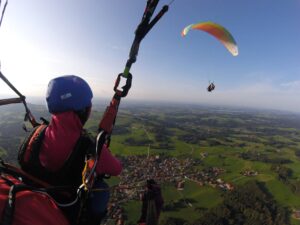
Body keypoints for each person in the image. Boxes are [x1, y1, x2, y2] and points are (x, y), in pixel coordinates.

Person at [18, 75, 122, 225]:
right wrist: (102, 150)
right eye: (89, 106)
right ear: (81, 110)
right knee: (101, 189)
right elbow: (116, 169)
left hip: (30, 203)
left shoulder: (36, 133)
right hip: (64, 212)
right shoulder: (90, 148)